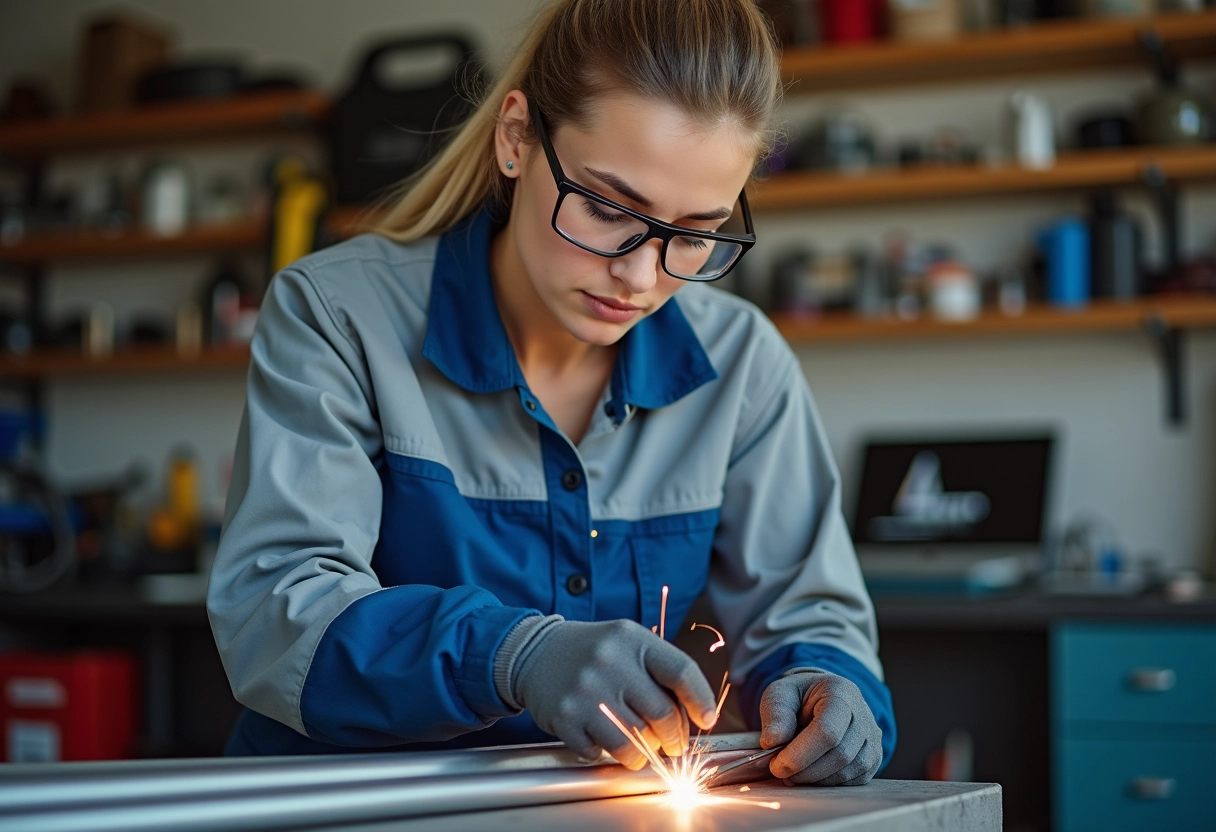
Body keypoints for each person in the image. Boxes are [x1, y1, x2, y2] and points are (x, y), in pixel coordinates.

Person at [207, 0, 895, 787]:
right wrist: (511, 653)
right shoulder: (337, 315)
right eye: (608, 209)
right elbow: (276, 617)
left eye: (696, 233)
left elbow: (809, 615)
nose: (642, 276)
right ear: (516, 140)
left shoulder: (743, 364)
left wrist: (828, 691)